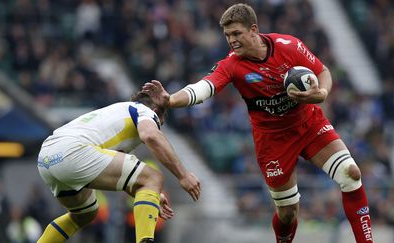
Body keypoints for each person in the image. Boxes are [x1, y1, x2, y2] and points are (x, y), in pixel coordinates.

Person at [143, 3, 373, 243]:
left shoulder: (288, 45)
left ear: (253, 29)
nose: (231, 40)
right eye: (227, 36)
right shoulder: (232, 65)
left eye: (236, 34)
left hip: (309, 124)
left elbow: (323, 71)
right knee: (287, 213)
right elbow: (203, 88)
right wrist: (170, 100)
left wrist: (322, 94)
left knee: (351, 173)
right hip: (273, 141)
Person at [36, 91, 201, 243]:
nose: (159, 125)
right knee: (153, 177)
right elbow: (151, 135)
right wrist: (183, 175)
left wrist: (150, 195)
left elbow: (118, 175)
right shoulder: (143, 111)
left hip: (47, 156)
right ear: (157, 109)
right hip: (74, 151)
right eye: (161, 121)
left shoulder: (114, 113)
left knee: (84, 214)